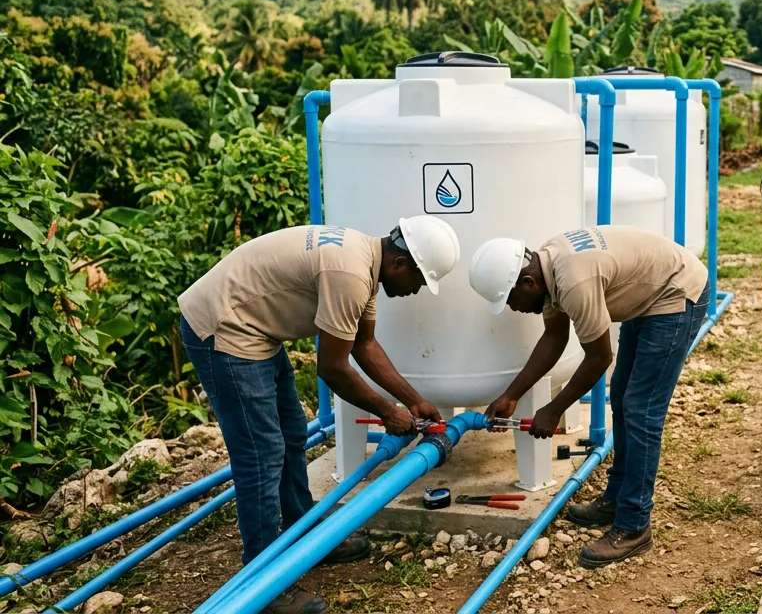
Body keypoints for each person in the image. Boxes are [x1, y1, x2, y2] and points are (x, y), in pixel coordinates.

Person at [178, 217, 461, 614]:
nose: (415, 291)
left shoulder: (366, 261)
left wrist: (412, 401)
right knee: (261, 456)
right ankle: (262, 585)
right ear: (400, 264)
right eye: (418, 281)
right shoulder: (350, 273)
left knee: (292, 433)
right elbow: (333, 368)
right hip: (226, 330)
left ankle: (302, 534)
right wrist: (386, 411)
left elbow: (364, 345)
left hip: (255, 330)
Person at [470, 225, 709, 568]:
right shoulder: (547, 267)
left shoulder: (573, 282)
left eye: (510, 300)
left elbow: (599, 357)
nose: (513, 308)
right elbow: (553, 339)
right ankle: (616, 499)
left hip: (676, 293)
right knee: (625, 401)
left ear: (527, 283)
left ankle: (634, 525)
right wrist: (512, 395)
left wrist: (553, 410)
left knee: (641, 412)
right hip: (652, 293)